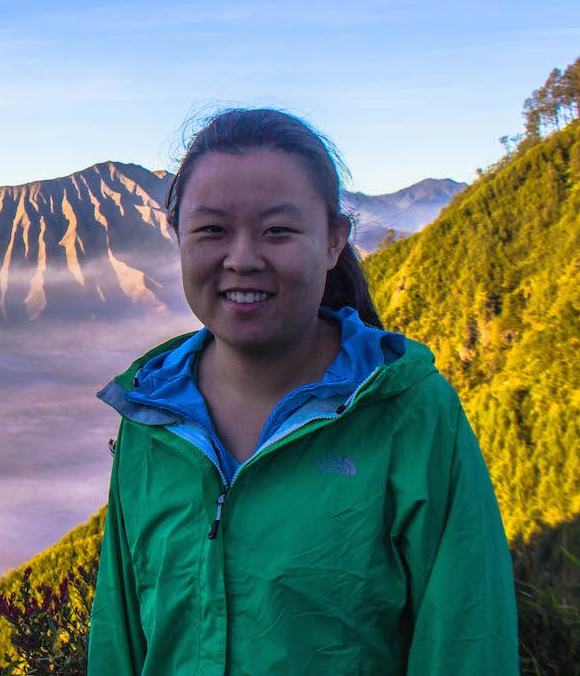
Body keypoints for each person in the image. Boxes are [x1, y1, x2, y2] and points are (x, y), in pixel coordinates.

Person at [86, 107, 518, 675]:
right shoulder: (150, 418)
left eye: (278, 231)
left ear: (335, 240)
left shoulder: (409, 413)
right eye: (212, 230)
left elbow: (466, 642)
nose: (242, 258)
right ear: (178, 238)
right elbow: (118, 643)